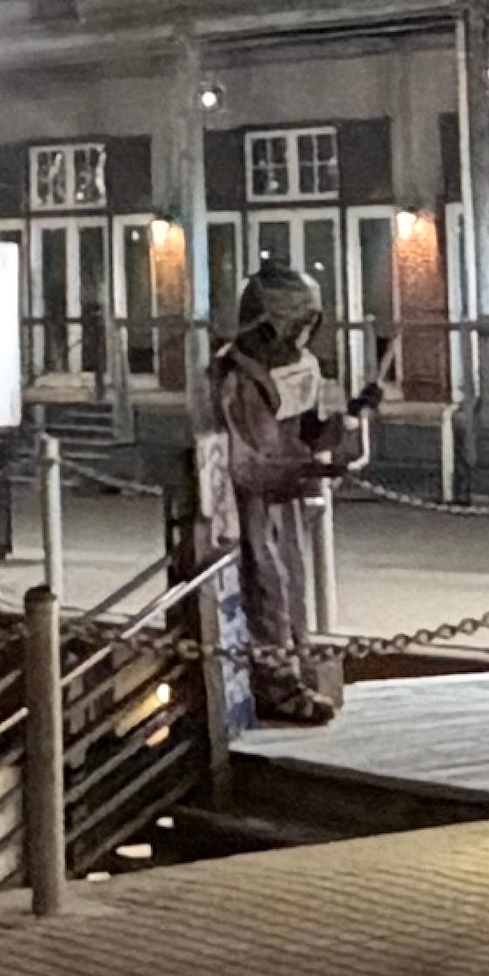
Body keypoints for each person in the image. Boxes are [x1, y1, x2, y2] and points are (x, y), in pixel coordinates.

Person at [188, 264, 373, 720]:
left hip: (281, 498)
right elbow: (246, 461)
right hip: (246, 507)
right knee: (266, 585)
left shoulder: (292, 369)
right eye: (298, 324)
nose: (304, 335)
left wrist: (346, 424)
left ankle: (297, 665)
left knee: (291, 582)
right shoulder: (236, 379)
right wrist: (309, 466)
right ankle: (276, 683)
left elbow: (305, 432)